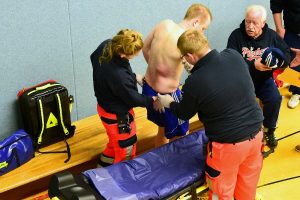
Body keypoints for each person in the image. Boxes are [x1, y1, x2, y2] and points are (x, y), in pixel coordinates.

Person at [158, 29, 264, 200]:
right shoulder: (234, 55)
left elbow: (184, 113)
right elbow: (224, 81)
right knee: (247, 186)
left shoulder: (195, 81)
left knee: (220, 192)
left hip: (229, 147)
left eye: (184, 57)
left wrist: (167, 102)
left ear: (190, 56)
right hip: (256, 135)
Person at [141, 3, 212, 147]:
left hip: (148, 90)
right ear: (195, 22)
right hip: (166, 96)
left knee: (162, 129)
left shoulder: (164, 24)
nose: (202, 33)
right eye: (203, 28)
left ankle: (159, 163)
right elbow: (195, 70)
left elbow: (145, 47)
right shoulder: (185, 42)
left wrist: (155, 68)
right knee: (180, 135)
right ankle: (173, 167)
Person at [90, 29, 160, 166]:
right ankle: (120, 181)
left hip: (104, 107)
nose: (132, 58)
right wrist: (152, 100)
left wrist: (133, 77)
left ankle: (101, 171)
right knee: (126, 149)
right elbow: (133, 99)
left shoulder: (106, 46)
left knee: (114, 144)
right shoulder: (119, 76)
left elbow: (111, 76)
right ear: (122, 54)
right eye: (131, 56)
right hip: (117, 116)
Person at [226, 5, 291, 151]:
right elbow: (230, 62)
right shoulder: (236, 35)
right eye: (247, 21)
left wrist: (278, 63)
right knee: (233, 105)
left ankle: (269, 130)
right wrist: (252, 65)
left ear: (263, 23)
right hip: (241, 81)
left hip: (263, 80)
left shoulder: (271, 36)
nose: (249, 26)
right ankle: (237, 133)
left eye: (254, 23)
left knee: (275, 99)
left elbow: (286, 54)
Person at [271, 0, 300, 109]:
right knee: (294, 64)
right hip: (293, 30)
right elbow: (276, 5)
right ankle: (296, 92)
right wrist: (279, 29)